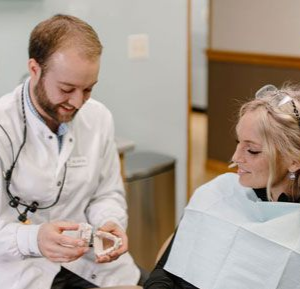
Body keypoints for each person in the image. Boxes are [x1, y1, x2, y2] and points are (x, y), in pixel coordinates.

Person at [0, 14, 141, 289]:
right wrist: (33, 239)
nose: (78, 102)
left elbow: (106, 193)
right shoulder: (4, 127)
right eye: (66, 89)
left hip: (89, 263)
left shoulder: (98, 117)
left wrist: (109, 221)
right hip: (23, 270)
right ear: (34, 69)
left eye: (88, 89)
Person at [144, 84, 300, 289]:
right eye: (238, 142)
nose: (235, 157)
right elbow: (166, 270)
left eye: (252, 150)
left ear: (294, 161)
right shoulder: (219, 192)